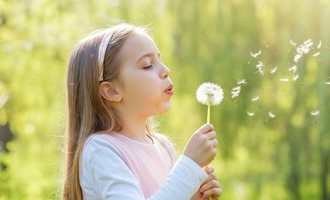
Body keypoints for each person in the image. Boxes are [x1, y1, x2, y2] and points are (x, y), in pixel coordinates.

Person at [63, 23, 222, 200]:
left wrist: (193, 195)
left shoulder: (164, 147)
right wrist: (189, 167)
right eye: (147, 65)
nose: (166, 70)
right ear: (112, 91)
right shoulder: (101, 150)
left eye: (160, 60)